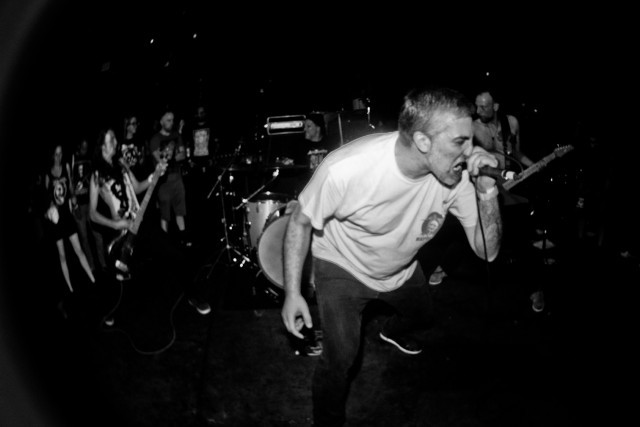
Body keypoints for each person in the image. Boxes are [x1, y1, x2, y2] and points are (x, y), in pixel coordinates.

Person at [281, 87, 502, 426]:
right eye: (460, 141)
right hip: (343, 265)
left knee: (423, 315)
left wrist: (487, 192)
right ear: (423, 141)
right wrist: (292, 293)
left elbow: (488, 251)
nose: (471, 152)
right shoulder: (347, 169)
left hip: (400, 270)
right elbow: (299, 221)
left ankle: (392, 330)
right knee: (340, 358)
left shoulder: (456, 178)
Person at [89, 128, 211, 315]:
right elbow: (92, 214)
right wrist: (116, 224)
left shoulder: (122, 164)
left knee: (174, 253)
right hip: (122, 232)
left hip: (140, 221)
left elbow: (137, 187)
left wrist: (153, 176)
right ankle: (110, 311)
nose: (116, 142)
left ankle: (192, 295)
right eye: (111, 139)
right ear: (102, 146)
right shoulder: (97, 175)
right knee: (120, 277)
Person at [43, 143, 96, 300]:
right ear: (52, 155)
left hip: (67, 215)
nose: (59, 157)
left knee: (79, 249)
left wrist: (74, 200)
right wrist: (50, 206)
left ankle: (92, 279)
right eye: (56, 154)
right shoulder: (48, 174)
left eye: (60, 153)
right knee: (62, 255)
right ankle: (70, 287)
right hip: (56, 220)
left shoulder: (66, 166)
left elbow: (71, 189)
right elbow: (47, 198)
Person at [148, 109, 192, 247]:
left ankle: (184, 239)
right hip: (163, 181)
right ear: (161, 121)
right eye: (168, 120)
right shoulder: (155, 139)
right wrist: (173, 156)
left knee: (180, 211)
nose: (171, 122)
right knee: (164, 214)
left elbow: (183, 155)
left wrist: (170, 157)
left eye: (172, 120)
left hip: (177, 177)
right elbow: (160, 159)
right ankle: (164, 244)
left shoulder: (176, 135)